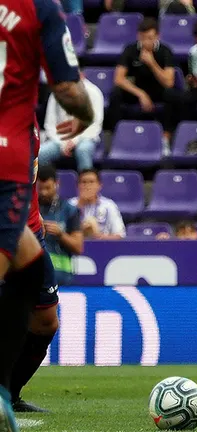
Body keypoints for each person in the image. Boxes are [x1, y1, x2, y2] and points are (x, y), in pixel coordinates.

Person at [0, 0, 93, 428]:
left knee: (45, 320)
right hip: (9, 199)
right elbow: (70, 89)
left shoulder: (27, 122)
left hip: (28, 223)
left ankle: (10, 394)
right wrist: (85, 111)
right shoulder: (38, 12)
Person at [10, 166, 62, 414]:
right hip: (5, 230)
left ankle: (9, 395)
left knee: (45, 322)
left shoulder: (29, 129)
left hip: (30, 234)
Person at [106, 18, 178, 148]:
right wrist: (141, 94)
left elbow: (169, 82)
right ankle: (116, 135)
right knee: (115, 93)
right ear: (138, 36)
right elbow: (119, 79)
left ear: (157, 36)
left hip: (158, 90)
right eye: (143, 38)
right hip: (137, 91)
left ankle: (166, 138)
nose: (146, 42)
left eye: (150, 38)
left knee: (172, 94)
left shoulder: (165, 51)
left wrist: (152, 63)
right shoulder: (130, 49)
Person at [39, 75, 104, 171]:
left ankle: (86, 183)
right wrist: (62, 143)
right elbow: (49, 124)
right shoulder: (56, 93)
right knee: (39, 154)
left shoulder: (94, 92)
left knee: (83, 150)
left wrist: (74, 141)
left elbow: (95, 125)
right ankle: (43, 184)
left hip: (86, 137)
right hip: (60, 140)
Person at [37, 166, 84, 286]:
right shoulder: (29, 209)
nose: (43, 192)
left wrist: (60, 234)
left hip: (62, 277)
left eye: (47, 188)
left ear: (56, 183)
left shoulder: (70, 210)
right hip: (35, 276)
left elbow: (78, 247)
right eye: (40, 188)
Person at [69, 170, 126, 240]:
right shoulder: (70, 204)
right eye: (83, 182)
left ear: (99, 185)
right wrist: (80, 203)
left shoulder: (109, 205)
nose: (87, 186)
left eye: (91, 182)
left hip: (102, 247)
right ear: (78, 186)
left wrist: (99, 237)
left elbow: (119, 235)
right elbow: (63, 233)